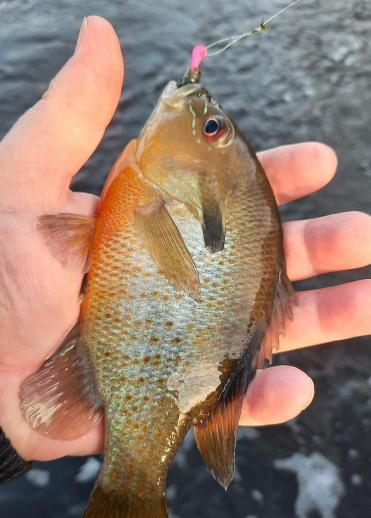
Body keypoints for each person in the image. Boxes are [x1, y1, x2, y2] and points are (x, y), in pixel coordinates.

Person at [0, 16, 369, 466]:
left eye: (212, 129)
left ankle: (131, 480)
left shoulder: (145, 197)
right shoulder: (147, 197)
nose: (203, 117)